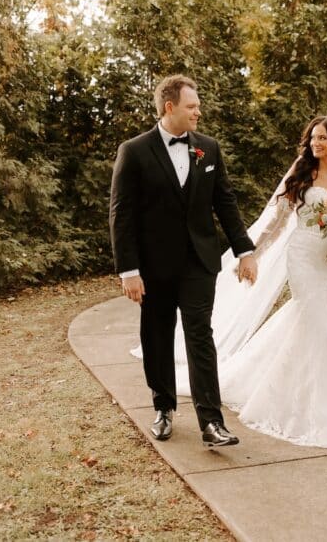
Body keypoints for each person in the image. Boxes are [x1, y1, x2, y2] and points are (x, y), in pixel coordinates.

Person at [180, 114, 327, 448]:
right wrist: (253, 252)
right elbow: (278, 221)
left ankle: (299, 390)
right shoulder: (303, 172)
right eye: (313, 138)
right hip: (305, 257)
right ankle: (323, 411)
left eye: (322, 138)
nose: (315, 144)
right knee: (316, 322)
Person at [109, 74, 258, 448]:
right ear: (169, 107)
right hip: (154, 267)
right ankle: (163, 407)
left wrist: (245, 250)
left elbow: (225, 201)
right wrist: (129, 270)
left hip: (198, 263)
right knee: (157, 337)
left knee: (200, 337)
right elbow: (121, 214)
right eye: (192, 107)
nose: (198, 112)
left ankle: (212, 422)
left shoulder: (208, 148)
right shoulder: (135, 151)